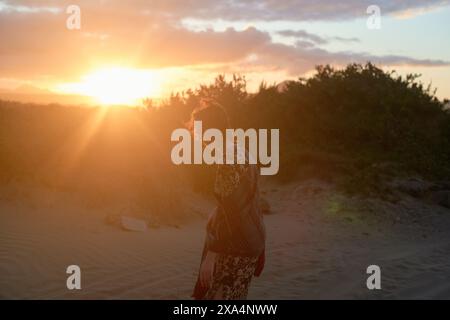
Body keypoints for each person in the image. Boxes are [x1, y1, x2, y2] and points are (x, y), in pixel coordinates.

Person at [191, 100, 266, 300]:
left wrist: (213, 254)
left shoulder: (228, 159)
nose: (196, 136)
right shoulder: (241, 151)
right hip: (251, 242)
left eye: (198, 130)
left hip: (234, 249)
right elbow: (245, 201)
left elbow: (231, 214)